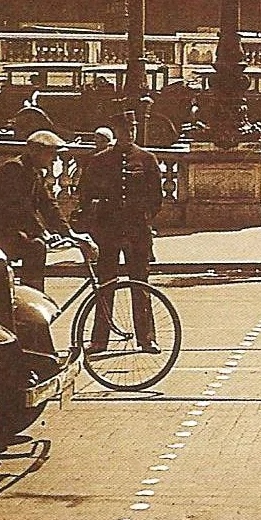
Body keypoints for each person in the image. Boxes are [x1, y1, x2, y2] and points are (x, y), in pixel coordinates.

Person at [77, 109, 163, 353]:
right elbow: (85, 195)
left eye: (133, 130)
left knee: (140, 284)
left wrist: (143, 217)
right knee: (106, 285)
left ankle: (146, 338)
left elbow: (156, 197)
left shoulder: (147, 159)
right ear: (116, 132)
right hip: (109, 231)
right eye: (126, 130)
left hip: (137, 232)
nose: (130, 134)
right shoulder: (100, 160)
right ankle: (99, 340)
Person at [0, 130, 95, 292]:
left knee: (37, 245)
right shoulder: (14, 169)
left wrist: (70, 233)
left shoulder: (33, 173)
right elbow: (20, 208)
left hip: (8, 229)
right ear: (35, 152)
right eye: (50, 153)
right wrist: (43, 232)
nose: (55, 159)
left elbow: (49, 205)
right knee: (35, 247)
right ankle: (31, 296)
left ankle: (32, 294)